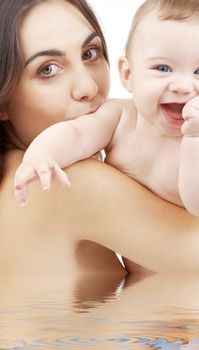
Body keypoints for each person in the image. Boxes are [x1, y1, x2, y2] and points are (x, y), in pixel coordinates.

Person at [1, 0, 199, 280]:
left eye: (90, 53)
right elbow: (77, 134)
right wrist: (43, 154)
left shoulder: (13, 172)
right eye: (48, 69)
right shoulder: (63, 179)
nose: (89, 87)